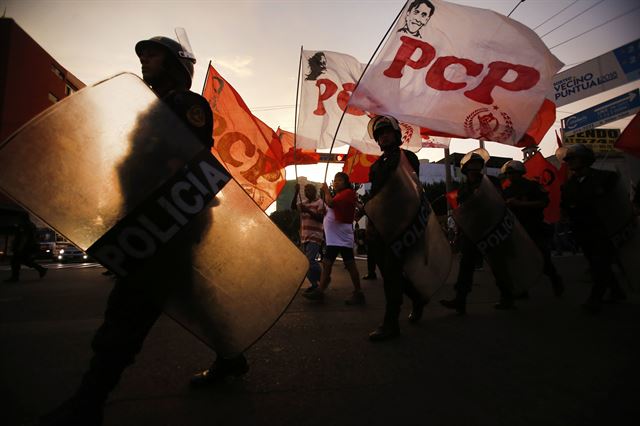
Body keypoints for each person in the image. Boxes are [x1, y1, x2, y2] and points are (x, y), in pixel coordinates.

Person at [40, 35, 247, 426]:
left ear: (175, 66)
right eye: (144, 54)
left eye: (154, 54)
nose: (145, 59)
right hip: (150, 219)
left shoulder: (186, 104)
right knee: (191, 299)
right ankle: (232, 358)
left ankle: (88, 403)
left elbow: (187, 162)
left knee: (127, 311)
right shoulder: (150, 110)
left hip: (167, 223)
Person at [365, 115, 429, 341]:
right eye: (380, 134)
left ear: (397, 135)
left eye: (387, 132)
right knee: (390, 272)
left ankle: (391, 324)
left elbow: (411, 187)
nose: (384, 136)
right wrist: (369, 218)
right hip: (383, 226)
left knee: (392, 272)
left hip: (404, 223)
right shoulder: (375, 166)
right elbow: (375, 197)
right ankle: (417, 298)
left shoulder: (408, 157)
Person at [440, 151, 515, 315]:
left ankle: (507, 296)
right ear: (465, 169)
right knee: (466, 265)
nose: (475, 169)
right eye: (471, 166)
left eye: (477, 166)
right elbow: (462, 211)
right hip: (472, 231)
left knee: (497, 264)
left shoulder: (490, 182)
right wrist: (459, 233)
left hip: (491, 228)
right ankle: (460, 300)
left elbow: (499, 202)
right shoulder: (463, 189)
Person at [560, 144, 626, 314]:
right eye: (569, 159)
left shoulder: (606, 178)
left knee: (600, 263)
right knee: (594, 262)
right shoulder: (568, 185)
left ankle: (595, 298)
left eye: (573, 159)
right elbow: (566, 206)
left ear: (585, 160)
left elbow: (618, 199)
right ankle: (617, 291)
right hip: (582, 229)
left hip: (603, 228)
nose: (570, 162)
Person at [501, 160, 564, 297]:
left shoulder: (532, 186)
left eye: (513, 173)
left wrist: (521, 204)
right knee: (520, 261)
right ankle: (523, 289)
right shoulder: (507, 191)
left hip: (534, 226)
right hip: (516, 229)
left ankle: (555, 279)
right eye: (508, 173)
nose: (510, 176)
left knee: (542, 258)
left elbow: (543, 202)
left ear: (520, 173)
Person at [303, 172, 364, 305]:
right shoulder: (340, 195)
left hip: (340, 236)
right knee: (327, 263)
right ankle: (321, 290)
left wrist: (325, 191)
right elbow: (333, 208)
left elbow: (330, 203)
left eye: (339, 180)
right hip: (334, 237)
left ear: (346, 182)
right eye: (335, 180)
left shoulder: (348, 192)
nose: (336, 183)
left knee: (349, 265)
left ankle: (358, 292)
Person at [291, 183, 325, 293]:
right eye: (305, 191)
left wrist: (308, 211)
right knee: (305, 263)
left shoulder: (320, 202)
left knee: (309, 261)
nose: (307, 193)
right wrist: (296, 192)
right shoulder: (304, 203)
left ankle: (323, 279)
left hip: (315, 236)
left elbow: (321, 218)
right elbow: (293, 207)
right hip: (304, 236)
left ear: (315, 191)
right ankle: (315, 284)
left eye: (309, 190)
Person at [4, 214, 47, 282]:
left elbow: (24, 238)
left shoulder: (25, 225)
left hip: (25, 247)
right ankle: (41, 269)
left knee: (15, 261)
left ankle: (15, 277)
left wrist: (19, 248)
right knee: (24, 261)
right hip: (28, 246)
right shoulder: (31, 225)